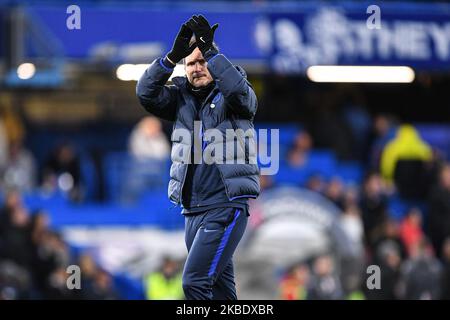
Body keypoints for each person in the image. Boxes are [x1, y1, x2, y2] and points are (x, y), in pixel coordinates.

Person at [136, 15, 260, 300]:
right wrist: (170, 58)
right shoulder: (180, 97)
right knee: (221, 294)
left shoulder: (232, 90)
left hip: (225, 207)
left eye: (202, 61)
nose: (197, 68)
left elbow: (244, 97)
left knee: (194, 283)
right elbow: (145, 93)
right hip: (192, 211)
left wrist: (212, 53)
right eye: (190, 63)